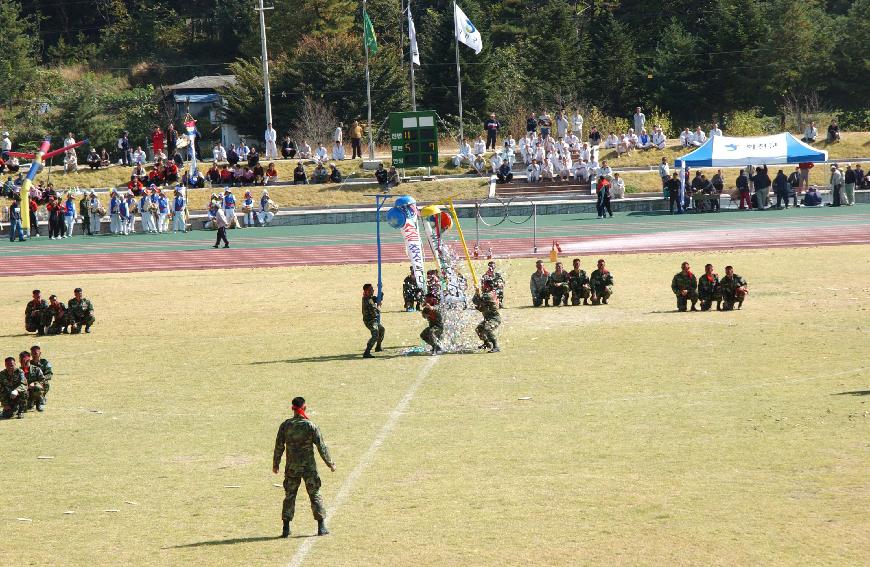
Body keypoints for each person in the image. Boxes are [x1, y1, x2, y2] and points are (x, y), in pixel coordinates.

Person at [273, 396, 336, 538]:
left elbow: (278, 446)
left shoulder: (285, 425)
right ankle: (321, 527)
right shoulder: (310, 426)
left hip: (291, 468)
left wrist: (276, 464)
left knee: (289, 496)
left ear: (292, 408)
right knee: (315, 494)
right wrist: (330, 463)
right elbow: (322, 447)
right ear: (304, 407)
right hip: (309, 468)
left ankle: (286, 529)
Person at [472, 280, 501, 352]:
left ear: (487, 287)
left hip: (494, 319)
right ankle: (486, 343)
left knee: (487, 328)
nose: (482, 286)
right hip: (488, 318)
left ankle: (496, 346)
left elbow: (476, 301)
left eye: (484, 285)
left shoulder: (488, 295)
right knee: (479, 329)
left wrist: (477, 292)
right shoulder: (488, 294)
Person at [361, 283, 384, 358]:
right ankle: (367, 352)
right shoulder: (367, 300)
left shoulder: (369, 297)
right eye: (371, 289)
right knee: (375, 334)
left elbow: (376, 298)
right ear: (367, 291)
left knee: (381, 330)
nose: (373, 290)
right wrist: (378, 308)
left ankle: (378, 347)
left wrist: (380, 289)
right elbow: (374, 312)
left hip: (373, 320)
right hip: (369, 321)